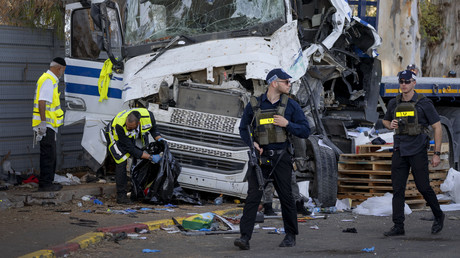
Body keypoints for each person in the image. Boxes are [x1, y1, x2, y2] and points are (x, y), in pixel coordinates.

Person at [234, 68, 310, 250]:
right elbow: (243, 128)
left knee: (287, 198)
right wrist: (253, 144)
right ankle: (244, 237)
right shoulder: (255, 105)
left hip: (281, 158)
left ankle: (290, 235)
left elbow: (305, 130)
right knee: (253, 197)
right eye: (286, 82)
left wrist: (287, 124)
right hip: (260, 160)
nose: (289, 85)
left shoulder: (291, 106)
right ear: (274, 83)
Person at [382, 70, 445, 236]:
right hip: (399, 149)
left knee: (423, 186)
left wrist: (436, 153)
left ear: (414, 83)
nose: (404, 84)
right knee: (397, 189)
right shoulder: (394, 103)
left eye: (407, 81)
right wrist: (390, 125)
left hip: (417, 150)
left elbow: (437, 127)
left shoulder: (424, 103)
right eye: (401, 81)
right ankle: (398, 226)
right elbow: (385, 120)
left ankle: (439, 215)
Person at [105, 108, 163, 204]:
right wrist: (151, 157)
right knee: (121, 161)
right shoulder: (120, 125)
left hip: (128, 137)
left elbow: (153, 129)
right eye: (127, 126)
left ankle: (135, 191)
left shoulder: (149, 117)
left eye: (131, 127)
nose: (128, 128)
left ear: (138, 124)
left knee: (138, 155)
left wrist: (160, 139)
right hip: (113, 135)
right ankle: (121, 196)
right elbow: (130, 149)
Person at [32, 57, 67, 192]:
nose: (62, 73)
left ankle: (48, 182)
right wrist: (43, 123)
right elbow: (42, 102)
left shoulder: (49, 79)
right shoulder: (48, 80)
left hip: (48, 125)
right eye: (62, 70)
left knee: (50, 154)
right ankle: (46, 184)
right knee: (48, 155)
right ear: (59, 68)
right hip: (46, 125)